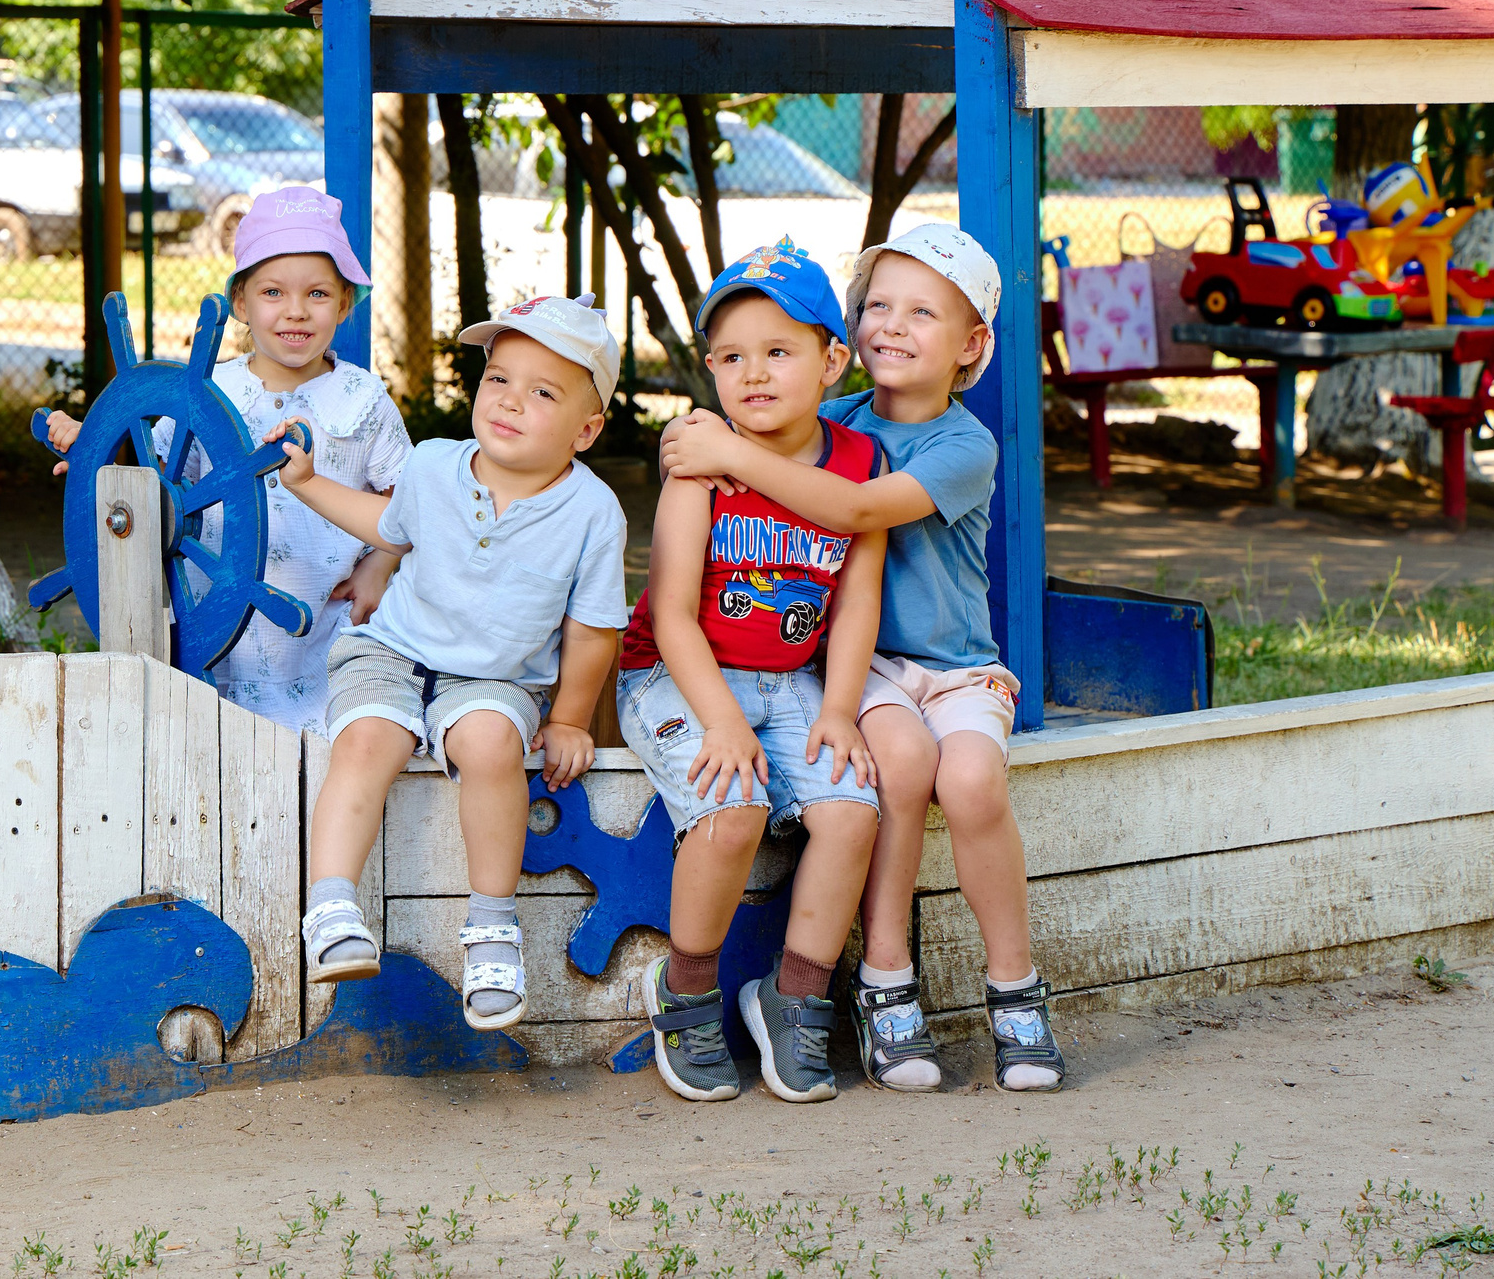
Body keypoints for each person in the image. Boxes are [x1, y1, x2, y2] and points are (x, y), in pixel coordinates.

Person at [662, 223, 1066, 1092]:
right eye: (878, 303)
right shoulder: (826, 415)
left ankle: (1015, 985)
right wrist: (706, 442)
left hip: (955, 664)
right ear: (846, 339)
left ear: (973, 344)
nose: (892, 323)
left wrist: (729, 449)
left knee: (970, 782)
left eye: (923, 310)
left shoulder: (965, 444)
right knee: (902, 766)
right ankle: (885, 980)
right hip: (864, 664)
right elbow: (754, 427)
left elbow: (852, 511)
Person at [278, 296, 630, 1030]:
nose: (509, 401)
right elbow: (387, 524)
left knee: (492, 743)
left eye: (542, 392)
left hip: (497, 677)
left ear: (587, 429)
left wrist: (568, 717)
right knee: (366, 740)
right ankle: (332, 904)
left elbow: (594, 630)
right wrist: (308, 482)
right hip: (394, 649)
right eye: (499, 378)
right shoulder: (435, 462)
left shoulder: (593, 513)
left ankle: (493, 929)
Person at [617, 240, 883, 1104]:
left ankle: (793, 995)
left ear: (831, 358)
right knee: (732, 809)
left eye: (778, 350)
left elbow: (855, 603)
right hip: (677, 671)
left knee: (850, 809)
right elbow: (670, 612)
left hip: (792, 679)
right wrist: (723, 721)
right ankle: (686, 987)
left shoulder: (859, 467)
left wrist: (840, 708)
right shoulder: (700, 460)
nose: (754, 373)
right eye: (731, 357)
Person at [39, 187, 409, 729]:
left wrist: (381, 565)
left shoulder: (364, 399)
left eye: (319, 294)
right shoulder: (213, 392)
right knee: (225, 749)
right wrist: (99, 454)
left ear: (345, 304)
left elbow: (406, 499)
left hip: (332, 621)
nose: (296, 311)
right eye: (273, 292)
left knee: (328, 748)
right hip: (220, 620)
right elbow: (157, 471)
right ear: (241, 303)